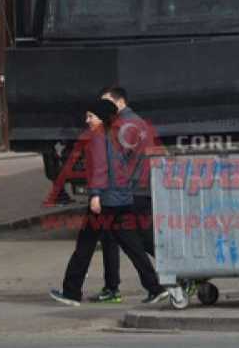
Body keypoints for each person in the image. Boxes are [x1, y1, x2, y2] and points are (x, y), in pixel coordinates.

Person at [49, 99, 168, 307]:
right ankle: (155, 287)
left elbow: (100, 168)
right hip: (120, 198)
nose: (87, 120)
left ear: (102, 118)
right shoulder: (117, 136)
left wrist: (95, 194)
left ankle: (71, 292)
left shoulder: (98, 137)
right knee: (132, 245)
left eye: (91, 116)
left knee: (84, 246)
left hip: (104, 201)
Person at [90, 86, 160, 304]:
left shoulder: (121, 126)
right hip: (140, 188)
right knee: (129, 238)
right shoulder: (139, 122)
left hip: (128, 191)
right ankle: (116, 286)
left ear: (119, 103)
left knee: (136, 240)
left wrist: (100, 192)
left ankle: (173, 275)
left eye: (107, 103)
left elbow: (115, 162)